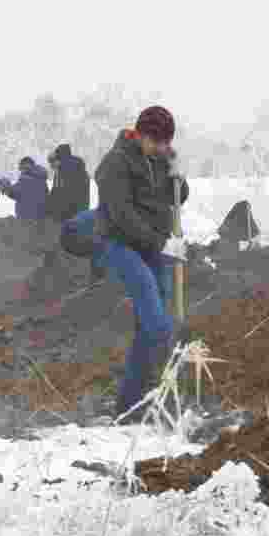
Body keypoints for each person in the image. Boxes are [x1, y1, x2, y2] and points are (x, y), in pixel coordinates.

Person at [91, 105, 189, 421]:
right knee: (157, 323)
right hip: (121, 244)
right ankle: (159, 389)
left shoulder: (160, 159)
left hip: (151, 246)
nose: (162, 148)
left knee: (150, 325)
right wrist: (162, 243)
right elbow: (121, 215)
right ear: (140, 135)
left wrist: (179, 178)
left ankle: (129, 405)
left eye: (166, 143)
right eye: (157, 142)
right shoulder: (115, 163)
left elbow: (175, 196)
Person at [0, 156, 56, 258]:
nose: (20, 170)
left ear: (26, 166)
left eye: (21, 168)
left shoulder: (26, 179)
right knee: (38, 248)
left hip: (27, 219)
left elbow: (14, 192)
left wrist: (5, 184)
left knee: (28, 250)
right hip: (41, 218)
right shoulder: (41, 178)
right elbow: (21, 194)